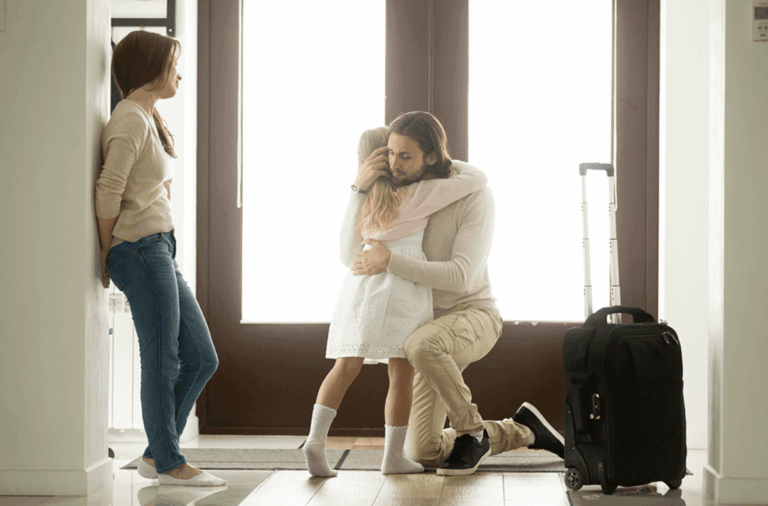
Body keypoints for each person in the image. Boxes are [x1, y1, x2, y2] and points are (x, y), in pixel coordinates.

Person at [351, 111, 566, 476]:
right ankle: (521, 430)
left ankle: (471, 430)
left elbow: (460, 277)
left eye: (406, 156)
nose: (396, 165)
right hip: (425, 328)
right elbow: (351, 252)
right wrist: (358, 188)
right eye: (391, 154)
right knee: (424, 453)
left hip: (473, 315)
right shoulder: (401, 196)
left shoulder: (475, 197)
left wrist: (389, 261)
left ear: (432, 156)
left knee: (421, 345)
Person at [303, 126, 488, 477]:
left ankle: (314, 439)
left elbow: (346, 255)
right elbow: (478, 177)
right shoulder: (419, 194)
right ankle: (392, 458)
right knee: (400, 373)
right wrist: (439, 159)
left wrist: (358, 185)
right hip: (401, 288)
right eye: (393, 153)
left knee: (345, 367)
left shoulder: (362, 199)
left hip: (360, 287)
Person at [95, 31, 225, 487]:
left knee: (202, 358)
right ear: (150, 67)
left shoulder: (147, 117)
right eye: (173, 65)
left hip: (159, 249)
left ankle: (155, 454)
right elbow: (108, 190)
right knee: (163, 360)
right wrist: (107, 252)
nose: (180, 73)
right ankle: (169, 464)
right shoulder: (130, 119)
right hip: (139, 250)